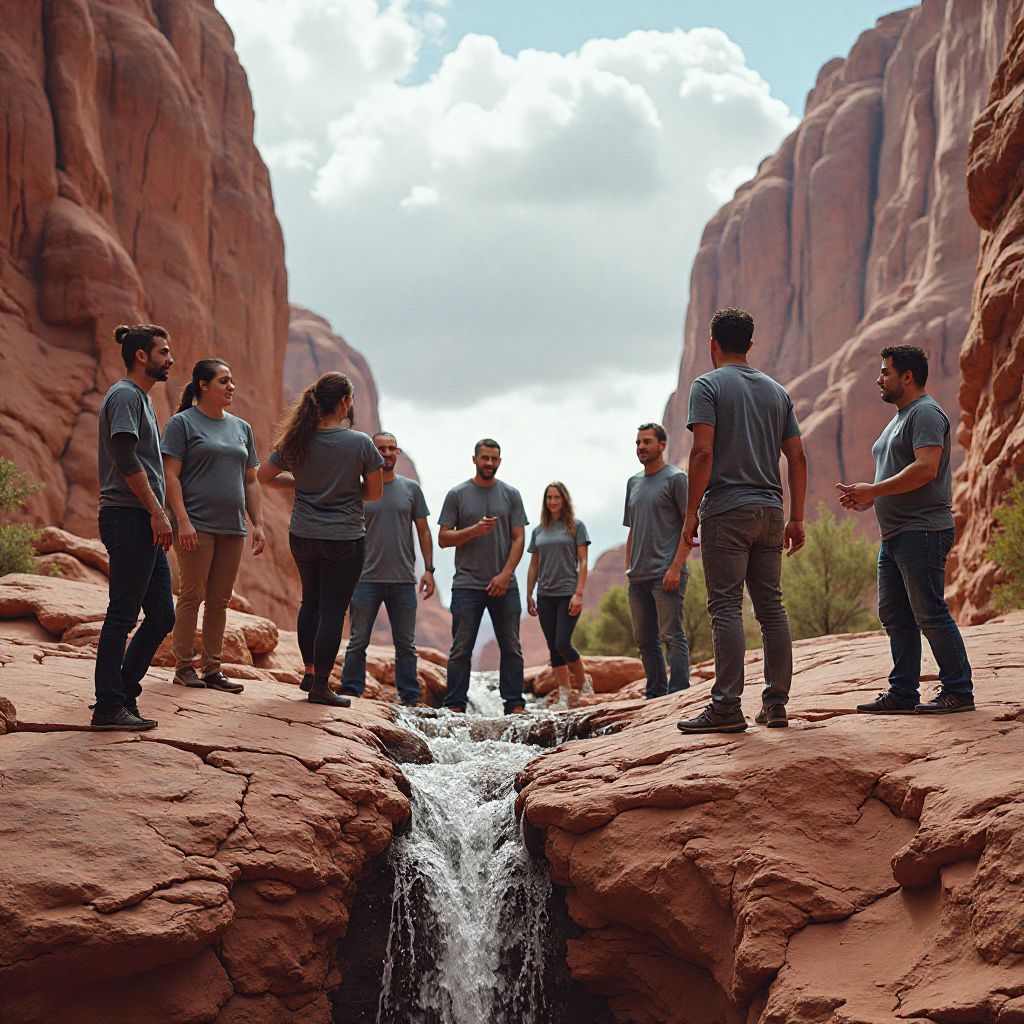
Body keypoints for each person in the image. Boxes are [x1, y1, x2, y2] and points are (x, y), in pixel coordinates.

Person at [677, 307, 806, 735]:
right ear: (750, 344)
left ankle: (727, 706)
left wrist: (691, 511)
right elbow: (798, 456)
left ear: (712, 343)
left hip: (727, 511)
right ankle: (776, 704)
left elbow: (702, 452)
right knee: (772, 608)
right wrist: (797, 517)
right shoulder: (777, 391)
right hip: (771, 511)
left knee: (727, 607)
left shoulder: (707, 386)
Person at [838, 345, 974, 714]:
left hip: (923, 530)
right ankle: (903, 692)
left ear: (907, 376)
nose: (879, 379)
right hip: (896, 534)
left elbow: (926, 468)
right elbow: (898, 472)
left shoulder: (926, 413)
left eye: (885, 372)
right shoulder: (900, 417)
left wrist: (875, 490)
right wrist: (869, 497)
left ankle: (959, 691)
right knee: (895, 614)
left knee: (928, 611)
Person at [258, 372, 384, 707]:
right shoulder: (359, 444)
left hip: (302, 534)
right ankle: (321, 687)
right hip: (343, 538)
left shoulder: (298, 440)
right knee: (332, 610)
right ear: (344, 401)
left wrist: (301, 484)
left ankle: (310, 671)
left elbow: (264, 476)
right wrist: (342, 487)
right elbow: (372, 493)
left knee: (310, 603)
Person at [162, 359, 267, 695]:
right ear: (203, 386)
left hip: (232, 527)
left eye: (232, 381)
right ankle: (183, 667)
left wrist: (259, 523)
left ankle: (212, 669)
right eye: (224, 381)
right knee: (192, 595)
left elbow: (251, 480)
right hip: (196, 525)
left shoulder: (242, 428)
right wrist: (182, 521)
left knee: (220, 600)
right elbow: (170, 476)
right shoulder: (182, 424)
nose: (231, 387)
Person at [91, 324, 176, 731]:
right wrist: (157, 513)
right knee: (122, 615)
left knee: (161, 615)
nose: (170, 359)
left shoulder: (140, 398)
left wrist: (156, 515)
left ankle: (122, 693)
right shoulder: (125, 395)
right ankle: (108, 707)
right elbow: (126, 461)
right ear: (141, 355)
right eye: (163, 352)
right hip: (129, 517)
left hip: (142, 519)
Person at [340, 432, 434, 706]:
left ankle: (409, 697)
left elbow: (424, 531)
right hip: (364, 578)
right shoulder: (360, 489)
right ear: (372, 452)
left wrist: (428, 569)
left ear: (398, 453)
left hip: (403, 579)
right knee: (358, 641)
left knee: (406, 644)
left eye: (392, 448)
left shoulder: (411, 489)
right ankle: (350, 691)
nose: (387, 453)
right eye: (381, 448)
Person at [438, 438, 528, 714]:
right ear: (474, 459)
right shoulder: (457, 494)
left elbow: (519, 538)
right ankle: (455, 704)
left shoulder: (511, 495)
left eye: (494, 459)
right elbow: (443, 538)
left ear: (499, 461)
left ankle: (514, 704)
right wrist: (474, 531)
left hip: (505, 584)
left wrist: (505, 575)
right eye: (484, 458)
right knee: (461, 647)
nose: (489, 463)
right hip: (467, 584)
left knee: (511, 647)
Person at [623, 423, 691, 699]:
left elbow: (690, 526)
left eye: (647, 442)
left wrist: (676, 567)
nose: (641, 447)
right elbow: (632, 528)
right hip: (637, 576)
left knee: (673, 636)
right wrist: (629, 567)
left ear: (662, 445)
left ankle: (678, 694)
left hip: (667, 572)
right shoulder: (633, 482)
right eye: (638, 442)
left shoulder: (677, 479)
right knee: (645, 640)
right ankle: (655, 694)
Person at [526, 482, 590, 708]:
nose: (552, 501)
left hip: (568, 593)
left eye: (556, 497)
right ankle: (564, 693)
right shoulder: (538, 531)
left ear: (564, 500)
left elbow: (583, 562)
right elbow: (534, 565)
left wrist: (579, 593)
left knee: (563, 642)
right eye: (549, 498)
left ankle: (584, 683)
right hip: (545, 595)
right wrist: (529, 594)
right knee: (553, 646)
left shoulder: (576, 526)